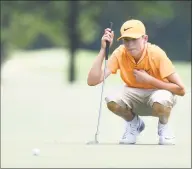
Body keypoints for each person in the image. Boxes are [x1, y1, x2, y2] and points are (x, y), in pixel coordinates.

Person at [87, 19, 186, 145]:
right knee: (111, 100)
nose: (130, 44)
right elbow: (93, 81)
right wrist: (103, 50)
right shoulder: (120, 53)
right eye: (126, 40)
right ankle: (134, 124)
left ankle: (163, 126)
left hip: (158, 92)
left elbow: (181, 90)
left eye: (134, 39)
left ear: (145, 38)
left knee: (162, 100)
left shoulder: (156, 54)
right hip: (132, 92)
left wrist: (150, 80)